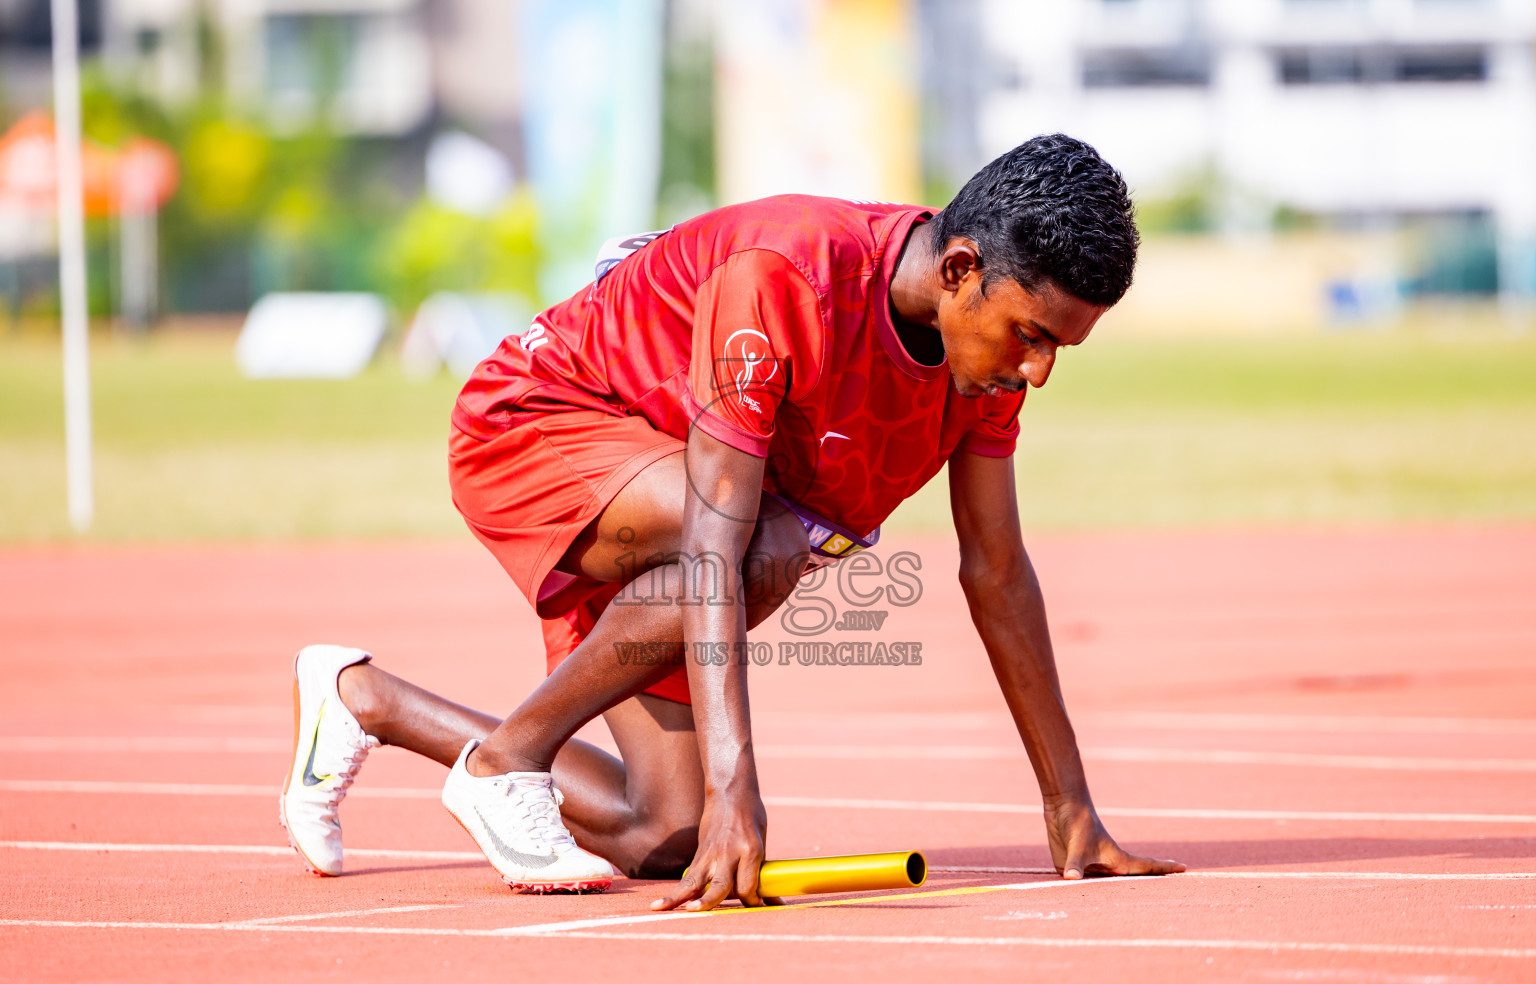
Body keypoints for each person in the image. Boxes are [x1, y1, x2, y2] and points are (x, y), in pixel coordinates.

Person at [279, 133, 1186, 911]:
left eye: (1059, 348)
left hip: (666, 502)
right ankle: (503, 762)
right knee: (760, 539)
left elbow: (997, 571)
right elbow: (718, 538)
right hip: (537, 426)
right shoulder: (787, 273)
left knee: (662, 832)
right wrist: (734, 787)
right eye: (1032, 335)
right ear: (960, 272)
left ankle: (365, 700)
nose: (1037, 372)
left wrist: (1071, 812)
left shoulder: (978, 366)